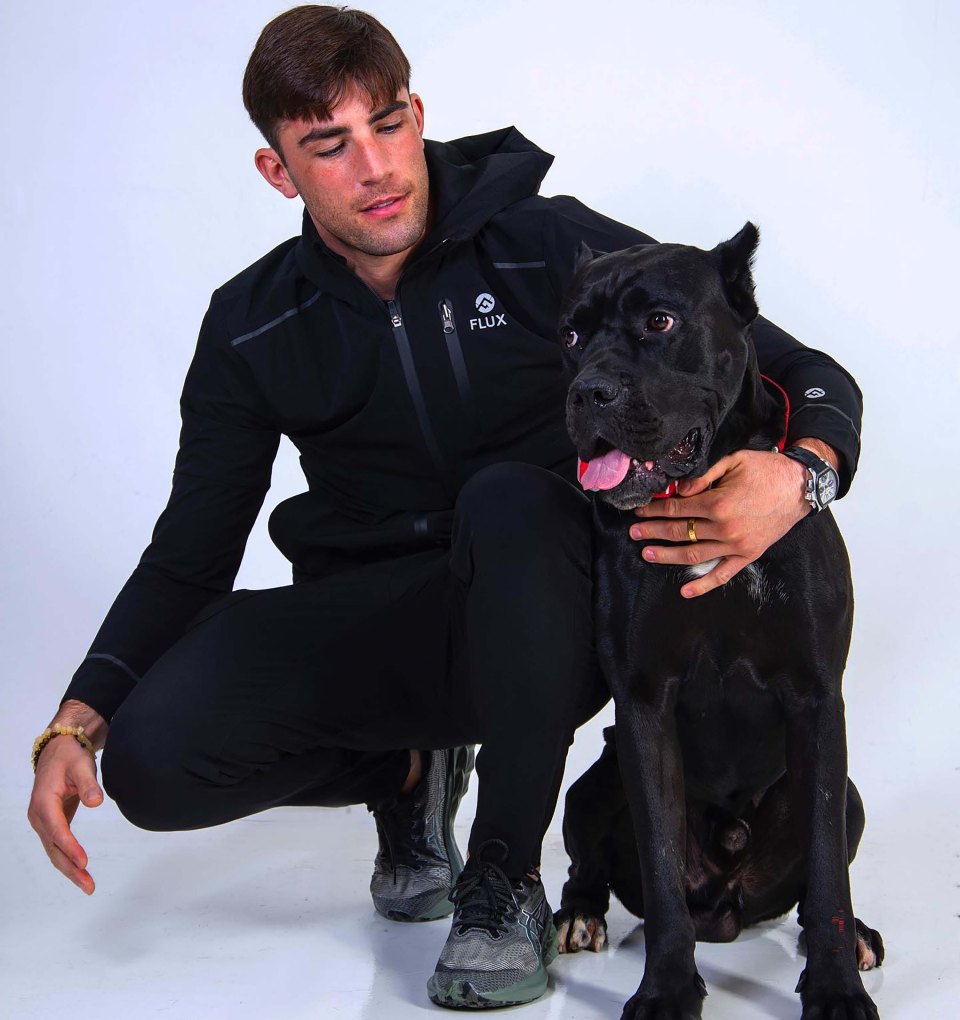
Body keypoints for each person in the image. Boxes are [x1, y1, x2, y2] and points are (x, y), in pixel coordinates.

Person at [26, 4, 863, 1011]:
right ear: (278, 172)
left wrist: (804, 473)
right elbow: (189, 554)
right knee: (156, 766)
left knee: (510, 499)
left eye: (386, 126)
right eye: (328, 146)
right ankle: (414, 774)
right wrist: (78, 719)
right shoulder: (250, 324)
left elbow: (790, 364)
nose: (374, 167)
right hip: (383, 613)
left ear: (416, 114)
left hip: (554, 608)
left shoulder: (548, 243)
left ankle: (504, 876)